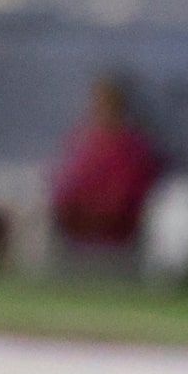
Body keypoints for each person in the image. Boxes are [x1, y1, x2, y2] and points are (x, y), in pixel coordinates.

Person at [50, 73, 161, 250]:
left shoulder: (133, 147)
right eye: (97, 101)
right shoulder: (79, 139)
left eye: (107, 102)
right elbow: (62, 185)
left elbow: (128, 196)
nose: (100, 108)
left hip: (118, 230)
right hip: (73, 225)